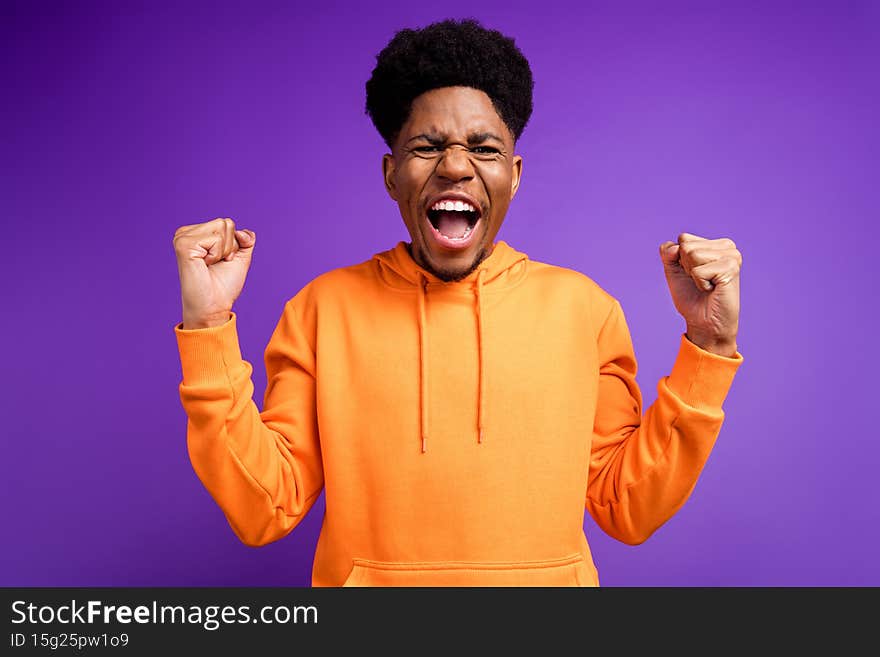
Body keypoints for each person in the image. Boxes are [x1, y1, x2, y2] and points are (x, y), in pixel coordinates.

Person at [172, 18, 743, 587]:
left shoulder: (584, 310)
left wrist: (709, 347)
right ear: (391, 174)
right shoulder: (322, 310)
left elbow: (629, 508)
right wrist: (207, 327)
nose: (454, 165)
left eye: (483, 147)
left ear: (512, 176)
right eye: (427, 146)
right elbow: (263, 508)